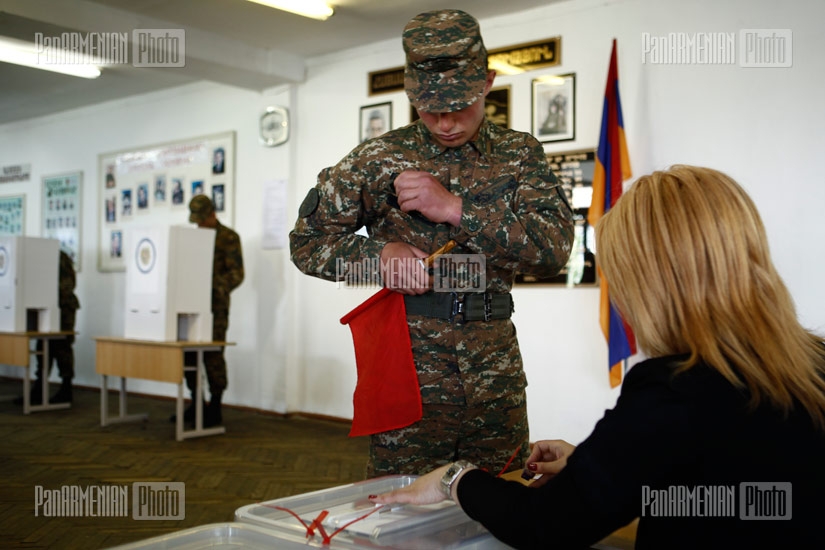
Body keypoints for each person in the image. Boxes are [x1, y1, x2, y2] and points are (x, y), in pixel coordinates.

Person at [370, 165, 825, 549]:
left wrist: (454, 478)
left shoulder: (673, 389)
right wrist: (600, 467)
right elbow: (730, 490)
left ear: (652, 284)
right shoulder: (812, 362)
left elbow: (547, 524)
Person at [289, 9, 574, 478]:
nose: (445, 124)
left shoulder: (521, 155)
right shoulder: (377, 158)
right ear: (410, 94)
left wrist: (456, 208)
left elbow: (554, 251)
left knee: (499, 502)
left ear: (487, 82)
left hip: (494, 374)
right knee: (401, 516)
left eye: (458, 107)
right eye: (430, 109)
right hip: (408, 370)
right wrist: (378, 259)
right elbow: (307, 244)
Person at [176, 195, 244, 427]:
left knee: (213, 355)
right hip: (190, 305)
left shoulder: (228, 237)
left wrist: (214, 286)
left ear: (212, 214)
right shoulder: (192, 238)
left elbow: (237, 274)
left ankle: (215, 406)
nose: (197, 224)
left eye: (201, 219)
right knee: (189, 355)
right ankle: (196, 403)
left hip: (216, 308)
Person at [30, 250, 80, 404]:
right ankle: (40, 388)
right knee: (43, 345)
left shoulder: (59, 257)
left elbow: (67, 286)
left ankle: (66, 388)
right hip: (48, 307)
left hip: (63, 308)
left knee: (62, 346)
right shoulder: (43, 257)